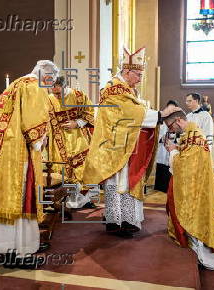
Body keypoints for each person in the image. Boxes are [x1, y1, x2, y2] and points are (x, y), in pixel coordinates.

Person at [0, 60, 59, 267]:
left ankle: (1, 248)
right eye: (52, 83)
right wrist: (40, 141)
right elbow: (34, 125)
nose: (52, 88)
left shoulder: (16, 84)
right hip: (12, 150)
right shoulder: (35, 87)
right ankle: (16, 252)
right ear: (47, 77)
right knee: (17, 197)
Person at [83, 47, 180, 237]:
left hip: (128, 145)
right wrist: (160, 114)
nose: (140, 78)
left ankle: (123, 219)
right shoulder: (114, 89)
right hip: (117, 146)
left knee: (127, 182)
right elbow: (129, 113)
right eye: (138, 74)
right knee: (119, 182)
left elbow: (136, 110)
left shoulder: (128, 90)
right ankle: (117, 221)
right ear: (126, 72)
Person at [164, 110, 214, 270]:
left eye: (171, 126)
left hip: (199, 188)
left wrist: (173, 151)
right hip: (197, 184)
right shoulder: (190, 134)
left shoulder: (195, 136)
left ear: (179, 120)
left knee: (199, 221)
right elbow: (188, 158)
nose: (171, 131)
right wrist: (177, 148)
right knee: (195, 220)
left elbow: (186, 166)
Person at [46, 76, 95, 208]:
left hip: (79, 138)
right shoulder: (49, 100)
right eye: (54, 92)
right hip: (58, 142)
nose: (57, 96)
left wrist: (77, 123)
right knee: (63, 171)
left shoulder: (79, 96)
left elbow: (90, 113)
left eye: (59, 93)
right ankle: (67, 200)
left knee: (83, 170)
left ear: (65, 87)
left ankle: (85, 200)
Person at [154, 100, 179, 193]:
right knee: (161, 174)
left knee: (170, 177)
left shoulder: (178, 120)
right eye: (169, 108)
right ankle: (159, 193)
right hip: (162, 150)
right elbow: (157, 134)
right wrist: (163, 137)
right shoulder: (161, 120)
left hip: (172, 151)